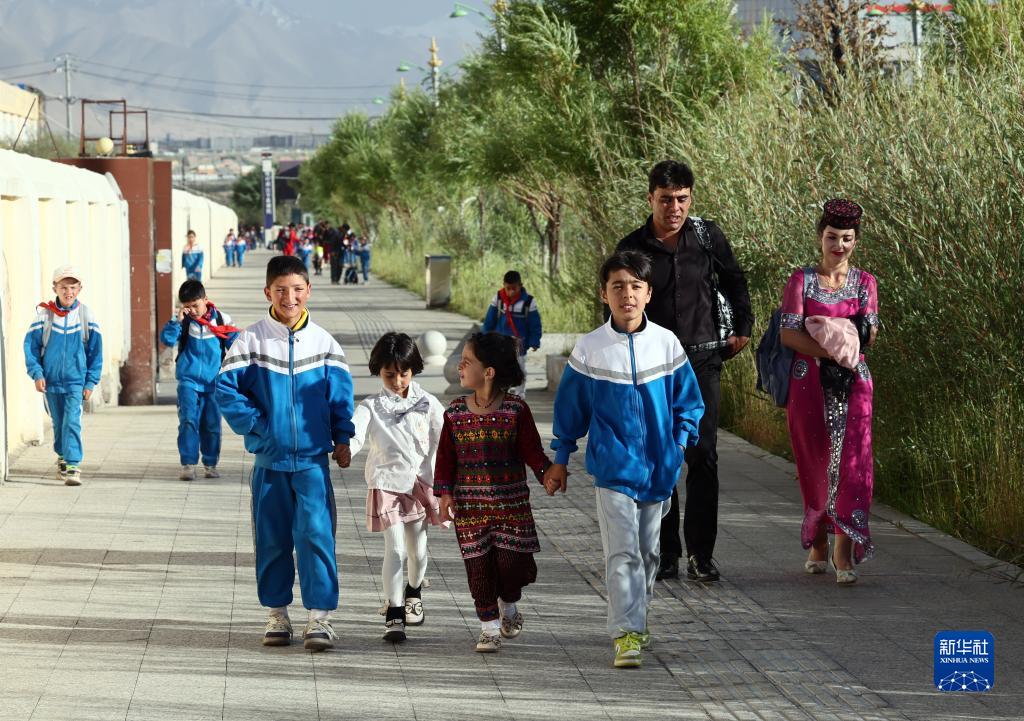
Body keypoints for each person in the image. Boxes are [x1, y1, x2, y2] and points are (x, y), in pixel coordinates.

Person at [545, 251, 704, 668]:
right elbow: (570, 410)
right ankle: (626, 633)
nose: (627, 294)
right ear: (604, 294)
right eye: (618, 286)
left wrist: (678, 447)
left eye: (635, 286)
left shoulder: (666, 344)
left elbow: (689, 404)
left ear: (649, 293)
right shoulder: (590, 349)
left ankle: (637, 618)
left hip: (660, 469)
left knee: (649, 554)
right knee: (622, 553)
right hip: (613, 469)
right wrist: (560, 458)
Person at [616, 160, 753, 583]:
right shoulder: (632, 248)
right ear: (650, 198)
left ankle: (701, 554)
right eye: (665, 199)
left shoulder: (707, 236)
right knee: (661, 457)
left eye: (681, 199)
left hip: (703, 361)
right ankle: (667, 553)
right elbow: (618, 303)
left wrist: (744, 328)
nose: (674, 207)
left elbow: (735, 282)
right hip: (653, 367)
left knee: (703, 455)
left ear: (690, 198)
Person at [216, 255, 355, 651]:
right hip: (269, 463)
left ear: (308, 290)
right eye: (281, 290)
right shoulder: (250, 341)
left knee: (316, 536)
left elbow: (340, 399)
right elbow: (225, 391)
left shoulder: (325, 344)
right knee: (272, 539)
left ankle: (319, 619)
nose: (289, 297)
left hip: (312, 464)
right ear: (267, 292)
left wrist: (343, 438)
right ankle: (277, 614)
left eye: (296, 289)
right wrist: (260, 427)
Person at [779, 199, 878, 585]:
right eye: (832, 237)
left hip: (854, 384)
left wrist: (844, 343)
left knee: (853, 464)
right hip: (809, 383)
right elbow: (789, 334)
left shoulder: (865, 282)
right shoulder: (800, 280)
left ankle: (843, 548)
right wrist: (834, 349)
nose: (839, 245)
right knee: (814, 461)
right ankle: (818, 539)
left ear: (856, 241)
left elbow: (871, 332)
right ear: (820, 237)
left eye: (847, 238)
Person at [434, 332, 551, 654]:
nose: (460, 367)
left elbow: (533, 452)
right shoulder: (454, 413)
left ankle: (509, 603)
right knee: (479, 571)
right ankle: (488, 628)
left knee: (513, 566)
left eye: (467, 362)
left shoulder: (516, 410)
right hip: (469, 511)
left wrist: (548, 474)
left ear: (488, 372)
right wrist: (444, 495)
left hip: (511, 508)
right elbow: (445, 458)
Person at [342, 332, 445, 643]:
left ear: (413, 370)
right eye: (390, 374)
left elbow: (447, 437)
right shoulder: (372, 406)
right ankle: (395, 611)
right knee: (396, 548)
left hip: (419, 485)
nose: (397, 381)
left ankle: (414, 591)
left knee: (418, 551)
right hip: (386, 485)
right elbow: (355, 432)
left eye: (404, 373)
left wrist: (450, 477)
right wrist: (346, 448)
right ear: (379, 371)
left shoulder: (427, 403)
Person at [23, 265, 103, 486]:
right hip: (51, 382)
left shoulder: (86, 316)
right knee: (59, 423)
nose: (69, 292)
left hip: (76, 381)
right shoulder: (44, 316)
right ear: (55, 288)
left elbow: (96, 353)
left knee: (72, 422)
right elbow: (31, 347)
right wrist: (37, 373)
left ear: (80, 289)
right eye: (64, 287)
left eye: (73, 287)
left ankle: (73, 465)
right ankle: (62, 455)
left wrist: (90, 382)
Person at [160, 279, 239, 481]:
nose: (193, 311)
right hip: (188, 382)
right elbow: (167, 340)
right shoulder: (183, 322)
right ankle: (188, 464)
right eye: (188, 307)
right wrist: (177, 321)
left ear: (205, 299)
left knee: (212, 425)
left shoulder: (221, 320)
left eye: (195, 305)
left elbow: (236, 345)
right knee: (188, 421)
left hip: (214, 383)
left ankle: (210, 464)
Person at [481, 270, 541, 397]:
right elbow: (489, 320)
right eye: (508, 288)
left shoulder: (529, 302)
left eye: (514, 288)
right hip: (500, 342)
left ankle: (519, 395)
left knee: (519, 369)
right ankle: (502, 394)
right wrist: (484, 337)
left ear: (520, 285)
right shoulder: (498, 298)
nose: (511, 292)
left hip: (520, 344)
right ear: (504, 285)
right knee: (501, 368)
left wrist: (534, 341)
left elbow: (535, 324)